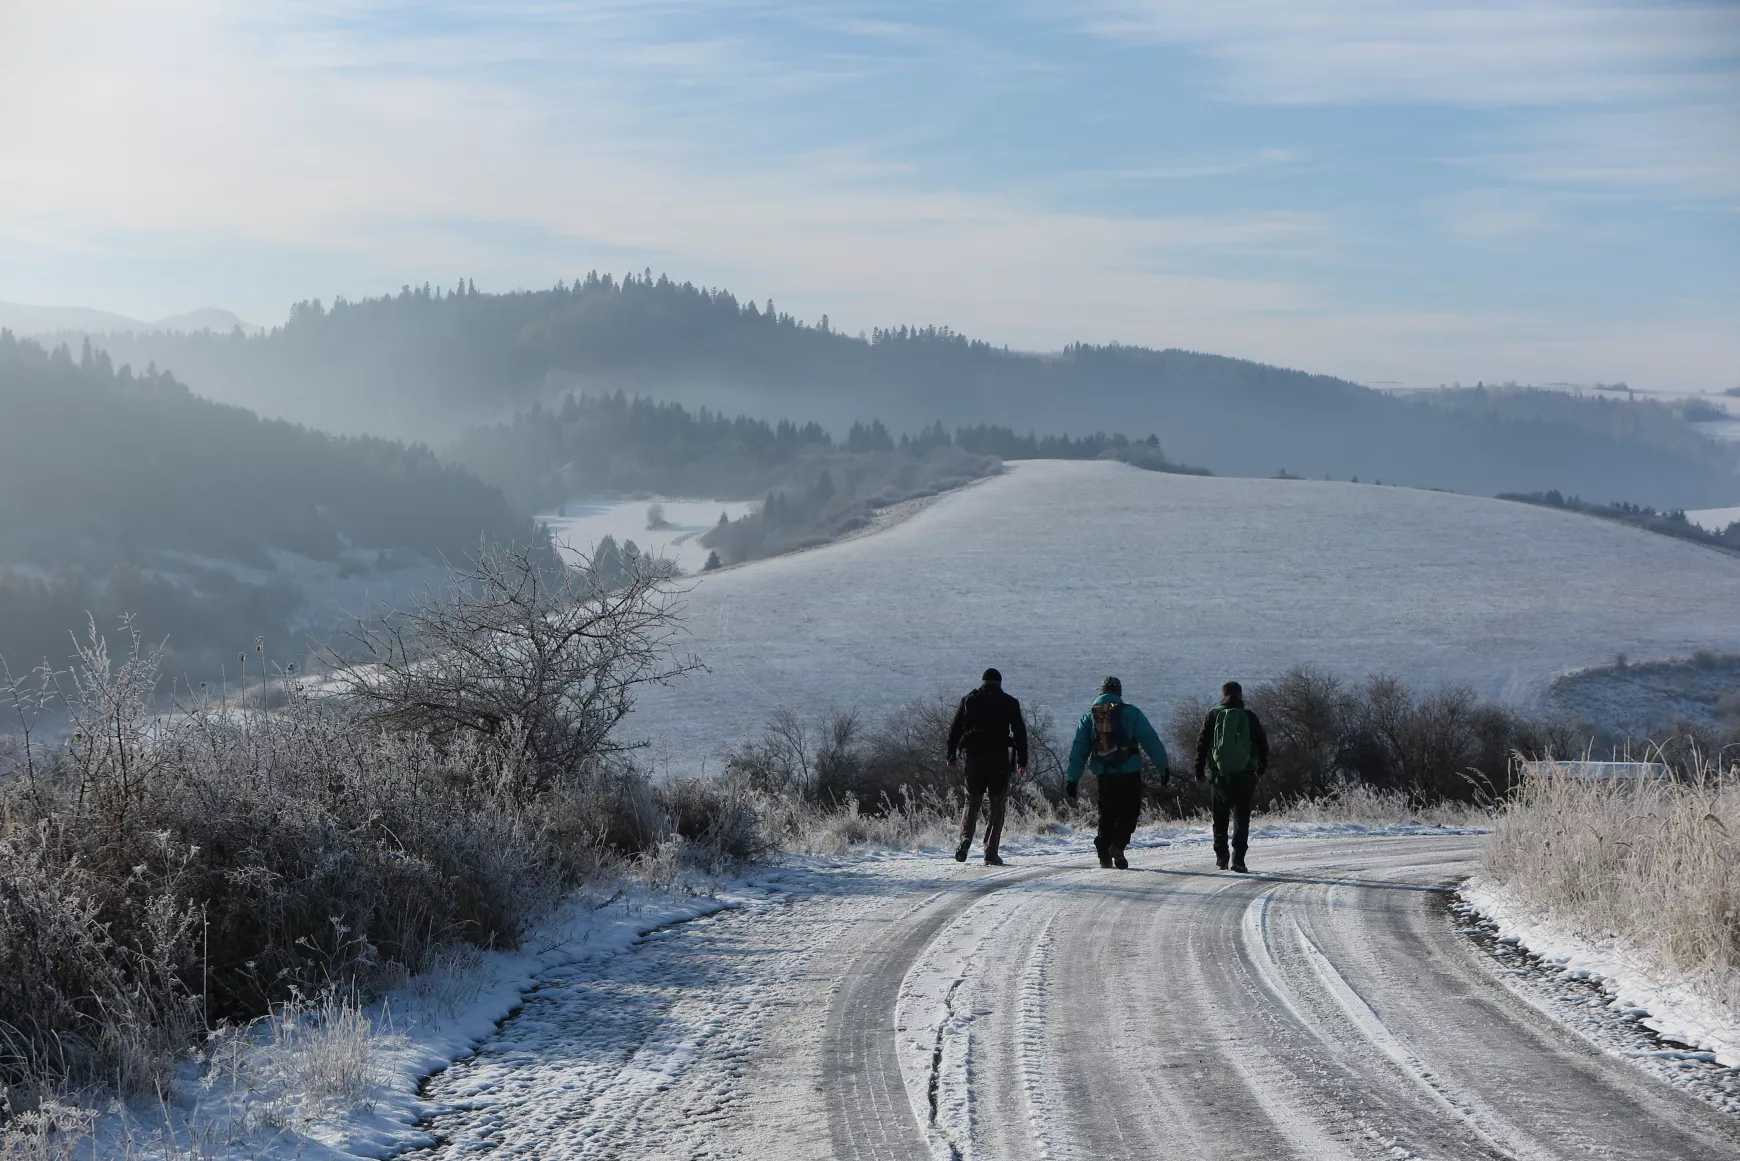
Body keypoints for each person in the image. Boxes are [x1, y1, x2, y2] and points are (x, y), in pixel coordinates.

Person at [1065, 676, 1169, 869]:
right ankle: (1118, 846)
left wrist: (1072, 779)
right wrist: (1163, 768)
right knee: (1129, 812)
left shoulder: (1090, 717)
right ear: (1119, 693)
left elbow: (1078, 749)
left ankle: (1103, 850)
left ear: (1101, 692)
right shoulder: (1132, 713)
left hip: (1103, 773)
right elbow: (1151, 742)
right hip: (1129, 772)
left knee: (1107, 813)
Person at [947, 667, 1028, 866]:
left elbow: (954, 729)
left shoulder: (969, 700)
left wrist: (951, 755)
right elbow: (1020, 733)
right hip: (999, 761)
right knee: (997, 806)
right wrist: (1022, 760)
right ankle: (990, 852)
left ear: (982, 682)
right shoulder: (1010, 702)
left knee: (971, 802)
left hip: (974, 760)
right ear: (1000, 683)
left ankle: (965, 838)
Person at [1193, 681, 1270, 873]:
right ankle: (1239, 860)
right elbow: (1262, 744)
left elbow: (1202, 744)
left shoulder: (1213, 715)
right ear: (1241, 695)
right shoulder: (1249, 716)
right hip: (1245, 774)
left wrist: (1199, 771)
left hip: (1220, 775)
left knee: (1220, 818)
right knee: (1241, 817)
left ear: (1223, 694)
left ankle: (1221, 858)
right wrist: (1262, 767)